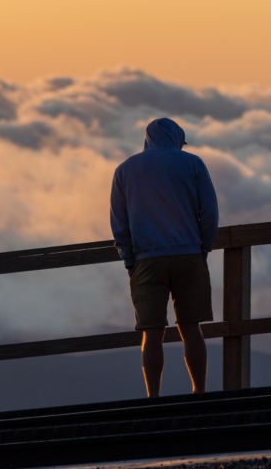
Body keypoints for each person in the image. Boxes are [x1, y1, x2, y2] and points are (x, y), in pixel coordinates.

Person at [110, 118, 219, 397]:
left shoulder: (125, 170)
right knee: (191, 328)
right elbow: (209, 214)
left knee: (151, 332)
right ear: (176, 140)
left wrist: (129, 260)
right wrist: (202, 249)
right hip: (188, 255)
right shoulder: (193, 163)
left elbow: (119, 224)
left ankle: (154, 398)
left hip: (146, 261)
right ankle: (199, 392)